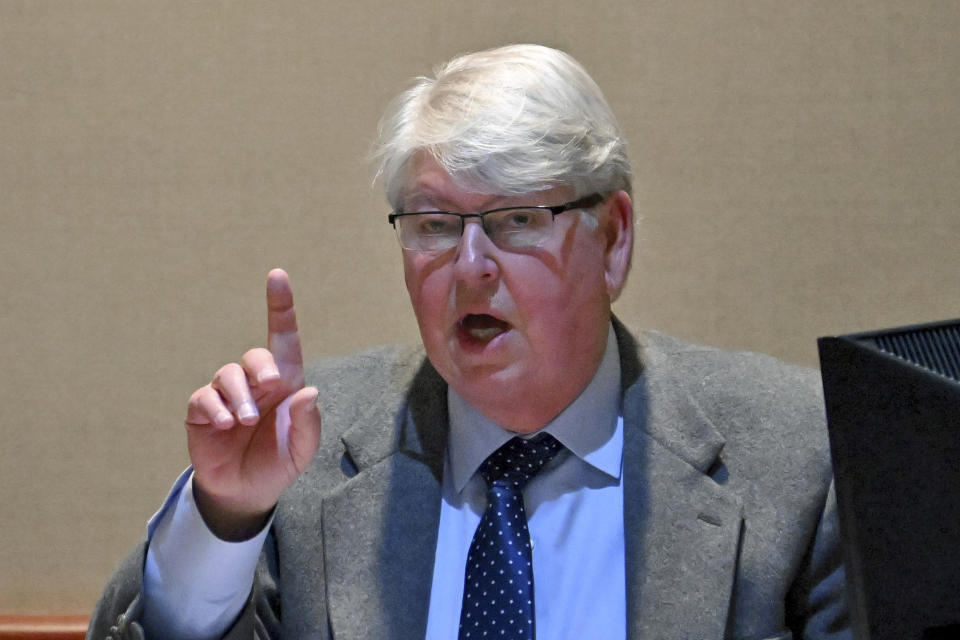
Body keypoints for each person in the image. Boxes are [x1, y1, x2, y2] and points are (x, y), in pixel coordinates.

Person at [87, 44, 850, 640]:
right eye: (434, 225)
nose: (471, 266)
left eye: (518, 219)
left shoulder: (796, 455)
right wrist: (224, 515)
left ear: (612, 239)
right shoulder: (303, 458)